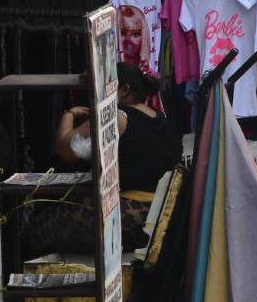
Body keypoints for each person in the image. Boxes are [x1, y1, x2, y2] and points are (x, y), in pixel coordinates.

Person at [23, 64, 181, 257]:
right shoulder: (161, 119)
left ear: (124, 90)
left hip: (127, 218)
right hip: (157, 218)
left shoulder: (116, 117)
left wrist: (69, 115)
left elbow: (68, 150)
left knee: (38, 228)